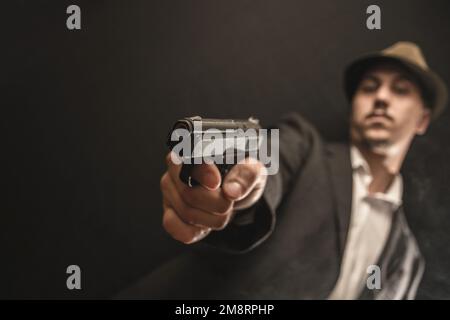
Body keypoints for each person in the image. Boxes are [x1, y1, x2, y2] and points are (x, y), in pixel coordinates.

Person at [120, 41, 448, 299]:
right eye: (369, 87)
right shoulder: (304, 145)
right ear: (354, 106)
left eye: (400, 90)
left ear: (422, 120)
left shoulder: (409, 257)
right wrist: (240, 193)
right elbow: (264, 163)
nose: (381, 98)